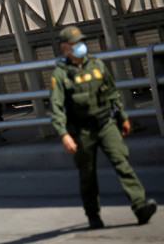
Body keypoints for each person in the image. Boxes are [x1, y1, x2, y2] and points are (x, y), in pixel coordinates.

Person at [50, 25, 157, 229]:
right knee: (87, 174)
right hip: (82, 131)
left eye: (81, 41)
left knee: (122, 162)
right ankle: (93, 215)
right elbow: (56, 106)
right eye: (75, 43)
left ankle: (140, 206)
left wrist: (123, 117)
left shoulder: (97, 65)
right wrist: (64, 135)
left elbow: (111, 92)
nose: (81, 46)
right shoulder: (61, 74)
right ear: (65, 47)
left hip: (106, 124)